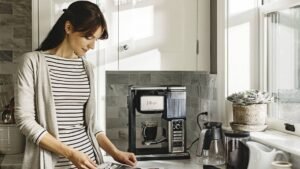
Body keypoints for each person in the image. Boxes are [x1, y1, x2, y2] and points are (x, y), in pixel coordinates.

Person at [14, 1, 137, 169]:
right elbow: (25, 121)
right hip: (54, 164)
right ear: (68, 27)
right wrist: (70, 153)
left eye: (96, 39)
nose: (92, 46)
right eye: (88, 37)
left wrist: (116, 152)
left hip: (91, 163)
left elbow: (92, 125)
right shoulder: (32, 62)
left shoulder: (87, 68)